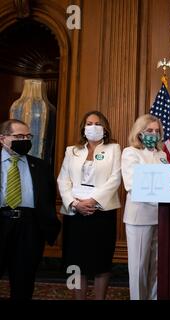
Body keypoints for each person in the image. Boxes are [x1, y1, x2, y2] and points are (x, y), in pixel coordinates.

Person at [57, 111, 121, 300]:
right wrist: (75, 203)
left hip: (101, 212)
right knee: (75, 262)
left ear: (105, 127)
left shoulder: (114, 149)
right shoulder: (72, 150)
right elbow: (63, 180)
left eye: (97, 123)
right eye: (89, 123)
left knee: (101, 261)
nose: (93, 127)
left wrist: (92, 201)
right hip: (74, 212)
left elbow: (115, 178)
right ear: (83, 128)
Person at [0, 119, 60, 300]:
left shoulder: (41, 166)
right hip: (1, 222)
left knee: (23, 281)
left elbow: (48, 198)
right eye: (19, 136)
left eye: (28, 136)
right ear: (3, 138)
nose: (24, 140)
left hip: (29, 227)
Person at [121, 115, 168, 300]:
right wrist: (164, 201)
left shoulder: (161, 155)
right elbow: (134, 184)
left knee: (157, 266)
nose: (154, 134)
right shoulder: (131, 152)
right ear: (139, 132)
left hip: (162, 217)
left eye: (157, 131)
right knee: (139, 267)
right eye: (149, 130)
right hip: (139, 217)